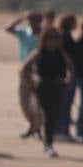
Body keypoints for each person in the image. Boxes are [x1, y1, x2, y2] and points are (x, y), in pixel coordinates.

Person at [20, 27, 74, 158]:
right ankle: (48, 144)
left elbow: (71, 67)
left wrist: (68, 81)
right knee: (49, 114)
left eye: (55, 38)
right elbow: (23, 69)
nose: (53, 41)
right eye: (50, 37)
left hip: (59, 85)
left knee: (56, 114)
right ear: (44, 39)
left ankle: (48, 141)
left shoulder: (60, 53)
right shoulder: (39, 53)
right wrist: (31, 84)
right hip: (44, 85)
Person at [5, 11, 43, 138]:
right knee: (24, 101)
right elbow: (8, 28)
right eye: (31, 20)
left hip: (39, 71)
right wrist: (21, 18)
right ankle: (31, 124)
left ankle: (38, 127)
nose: (33, 23)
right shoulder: (24, 32)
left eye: (36, 20)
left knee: (37, 102)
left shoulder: (45, 35)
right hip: (24, 70)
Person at [56, 14, 78, 138]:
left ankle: (63, 130)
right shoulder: (64, 37)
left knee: (66, 103)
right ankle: (62, 130)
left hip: (67, 72)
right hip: (66, 73)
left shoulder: (65, 35)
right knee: (65, 103)